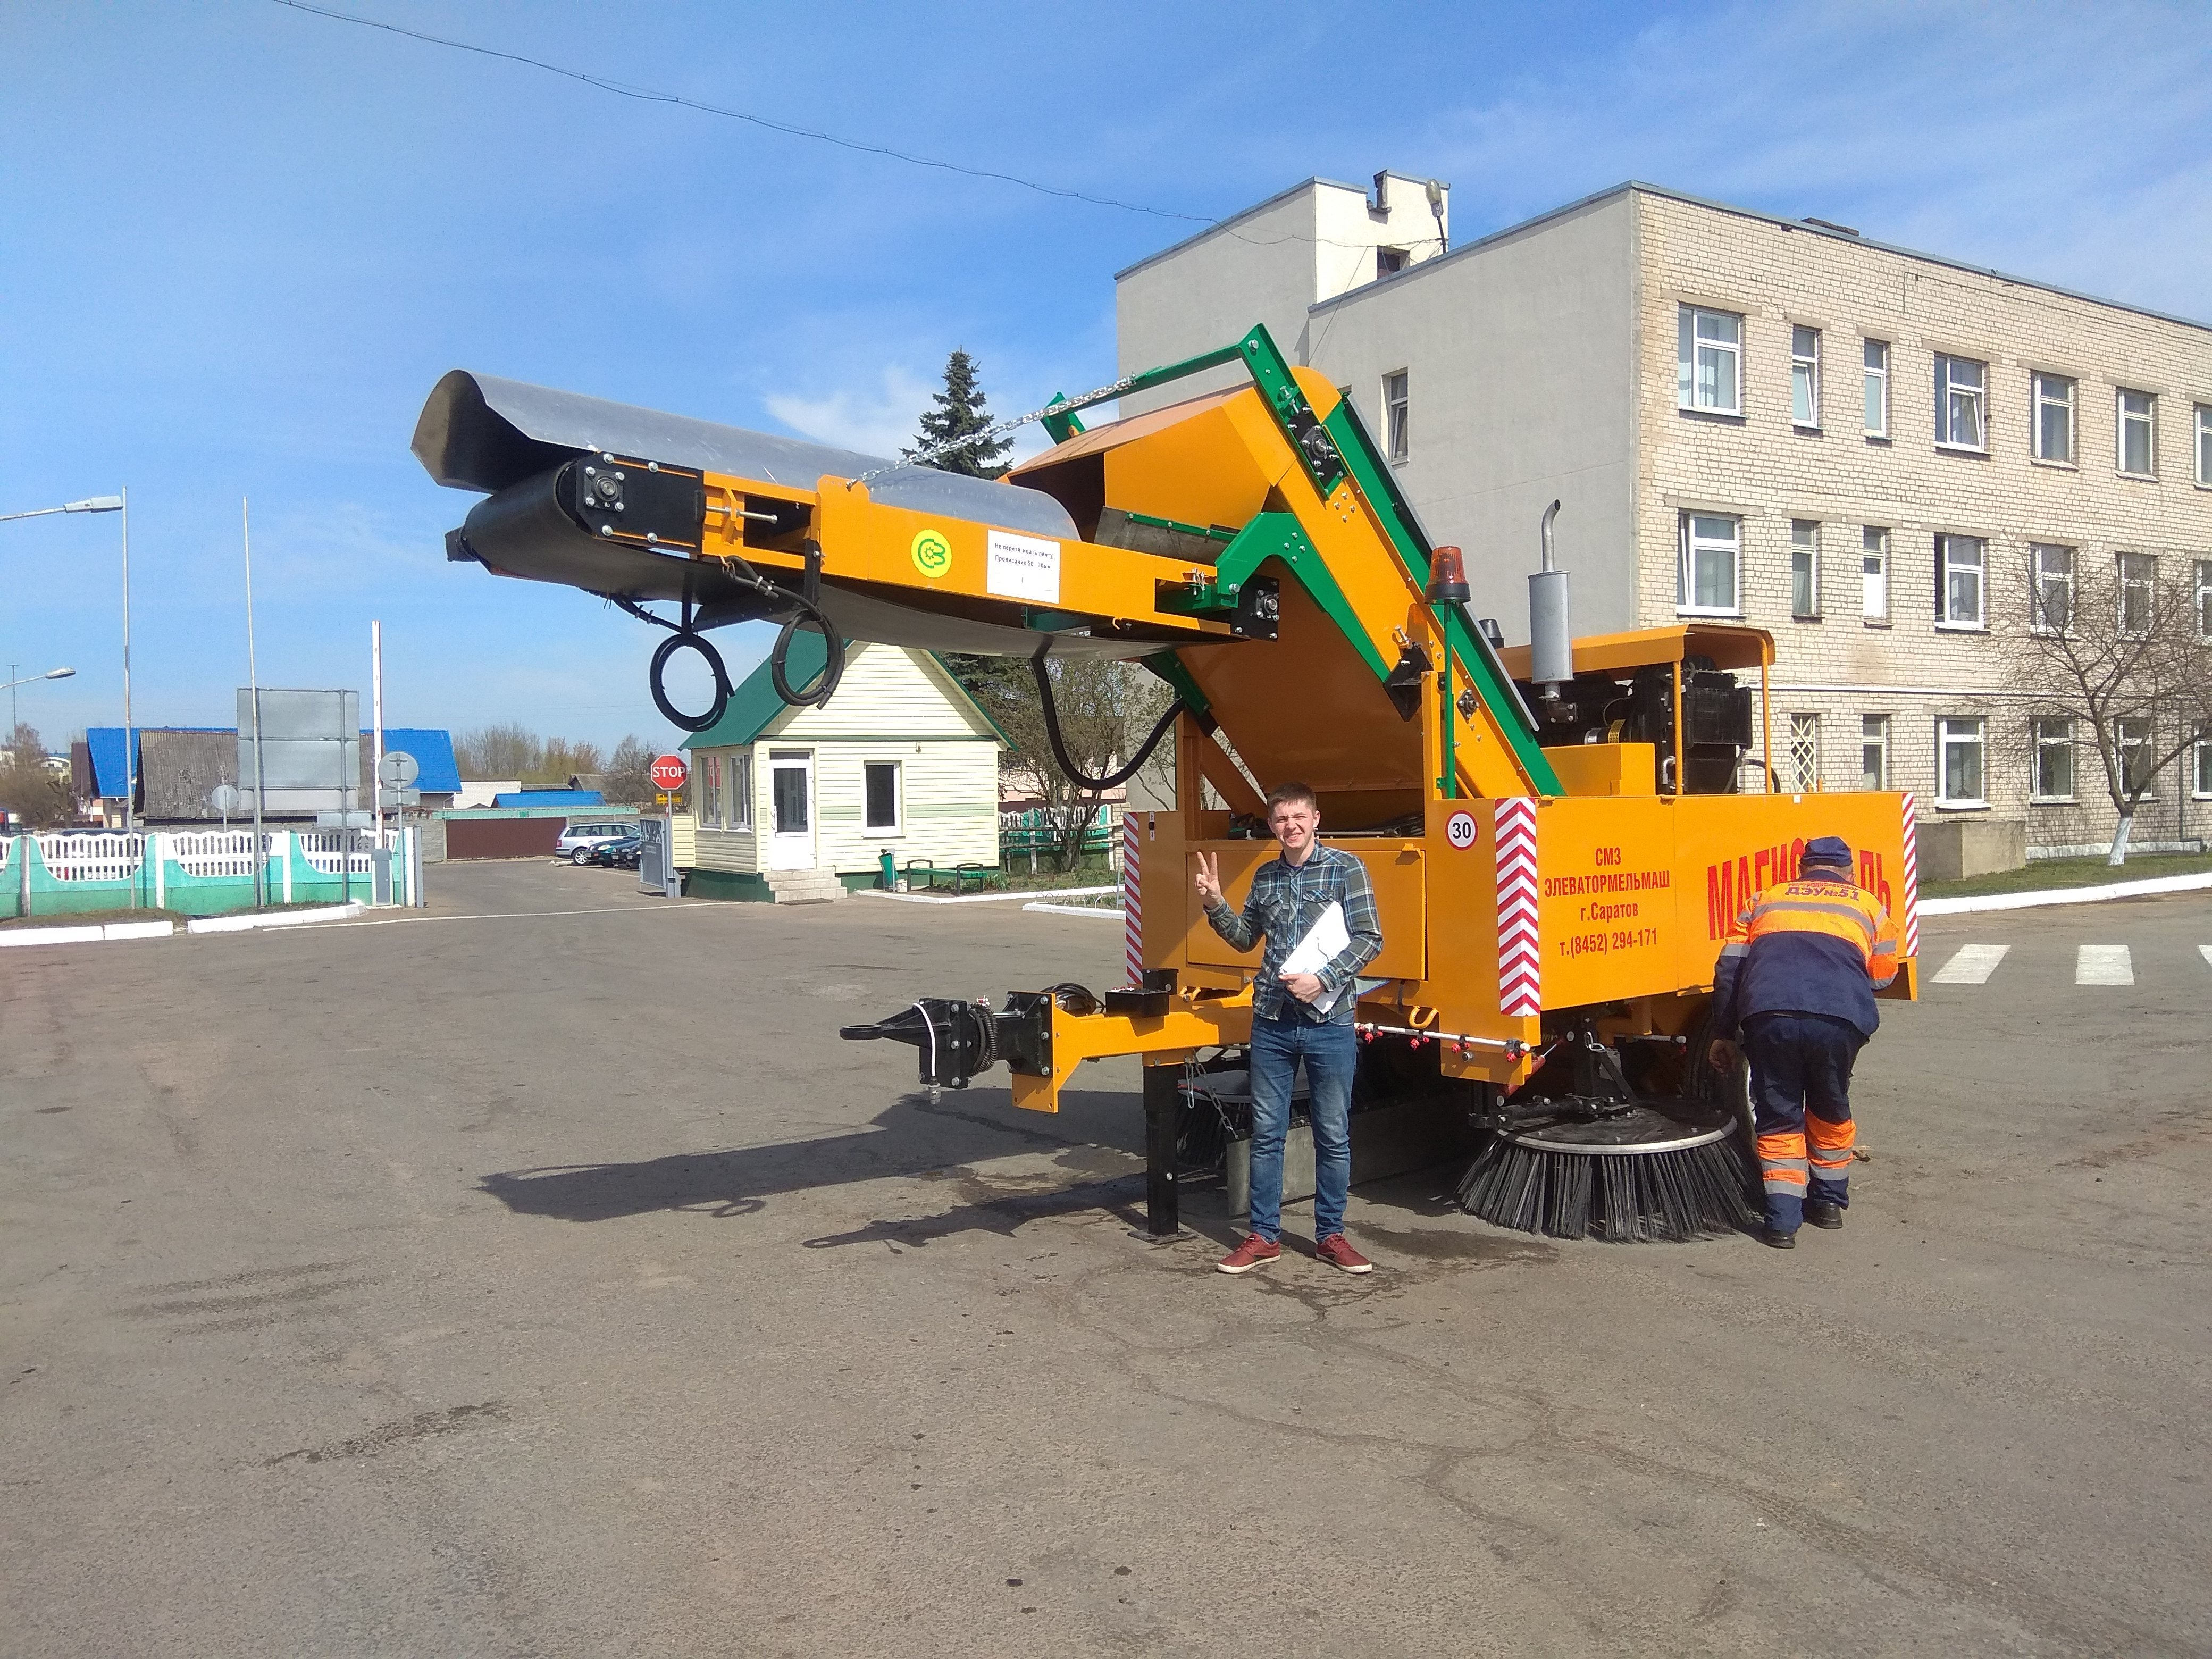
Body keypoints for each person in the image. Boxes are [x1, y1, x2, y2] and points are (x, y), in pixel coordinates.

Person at [1193, 781, 1383, 1276]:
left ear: (1316, 819)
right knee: (1267, 1134)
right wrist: (1215, 903)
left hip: (1329, 1022)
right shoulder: (1266, 877)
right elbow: (1244, 940)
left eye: (1299, 817)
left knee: (1333, 1134)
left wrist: (1325, 978)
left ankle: (1331, 1236)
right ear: (1272, 825)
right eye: (1281, 819)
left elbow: (1370, 938)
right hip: (1273, 1023)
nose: (1291, 826)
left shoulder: (1346, 869)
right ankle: (1264, 1236)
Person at [1708, 834, 1900, 1249]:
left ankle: (1782, 1223)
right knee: (1831, 1107)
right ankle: (1828, 1205)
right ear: (1849, 872)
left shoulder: (1764, 900)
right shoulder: (1868, 905)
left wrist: (1723, 1033)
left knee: (1779, 1115)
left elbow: (1729, 971)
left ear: (1801, 869)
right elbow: (1884, 976)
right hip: (1838, 1018)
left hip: (1769, 1016)